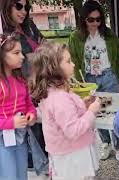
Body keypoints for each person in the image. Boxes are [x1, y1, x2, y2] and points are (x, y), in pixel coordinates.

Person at [29, 42, 101, 180]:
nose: (73, 64)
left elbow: (64, 117)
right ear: (54, 69)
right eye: (68, 61)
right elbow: (73, 130)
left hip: (68, 153)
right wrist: (91, 112)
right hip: (72, 157)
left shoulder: (55, 92)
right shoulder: (59, 98)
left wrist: (82, 105)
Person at [68, 0, 119, 160]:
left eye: (98, 19)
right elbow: (73, 60)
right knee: (97, 111)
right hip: (89, 78)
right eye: (91, 19)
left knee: (113, 111)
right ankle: (105, 143)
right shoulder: (76, 37)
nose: (95, 23)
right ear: (83, 19)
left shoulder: (108, 35)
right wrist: (78, 82)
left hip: (108, 76)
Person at [0, 0, 47, 170]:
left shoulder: (29, 26)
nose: (24, 11)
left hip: (37, 86)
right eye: (18, 6)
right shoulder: (4, 35)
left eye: (26, 7)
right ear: (7, 6)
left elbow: (45, 44)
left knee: (38, 130)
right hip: (20, 89)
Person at [0, 34, 37, 180]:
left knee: (22, 175)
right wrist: (10, 123)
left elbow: (29, 104)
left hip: (20, 138)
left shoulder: (20, 79)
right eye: (16, 53)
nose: (22, 57)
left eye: (21, 52)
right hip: (2, 141)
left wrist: (31, 114)